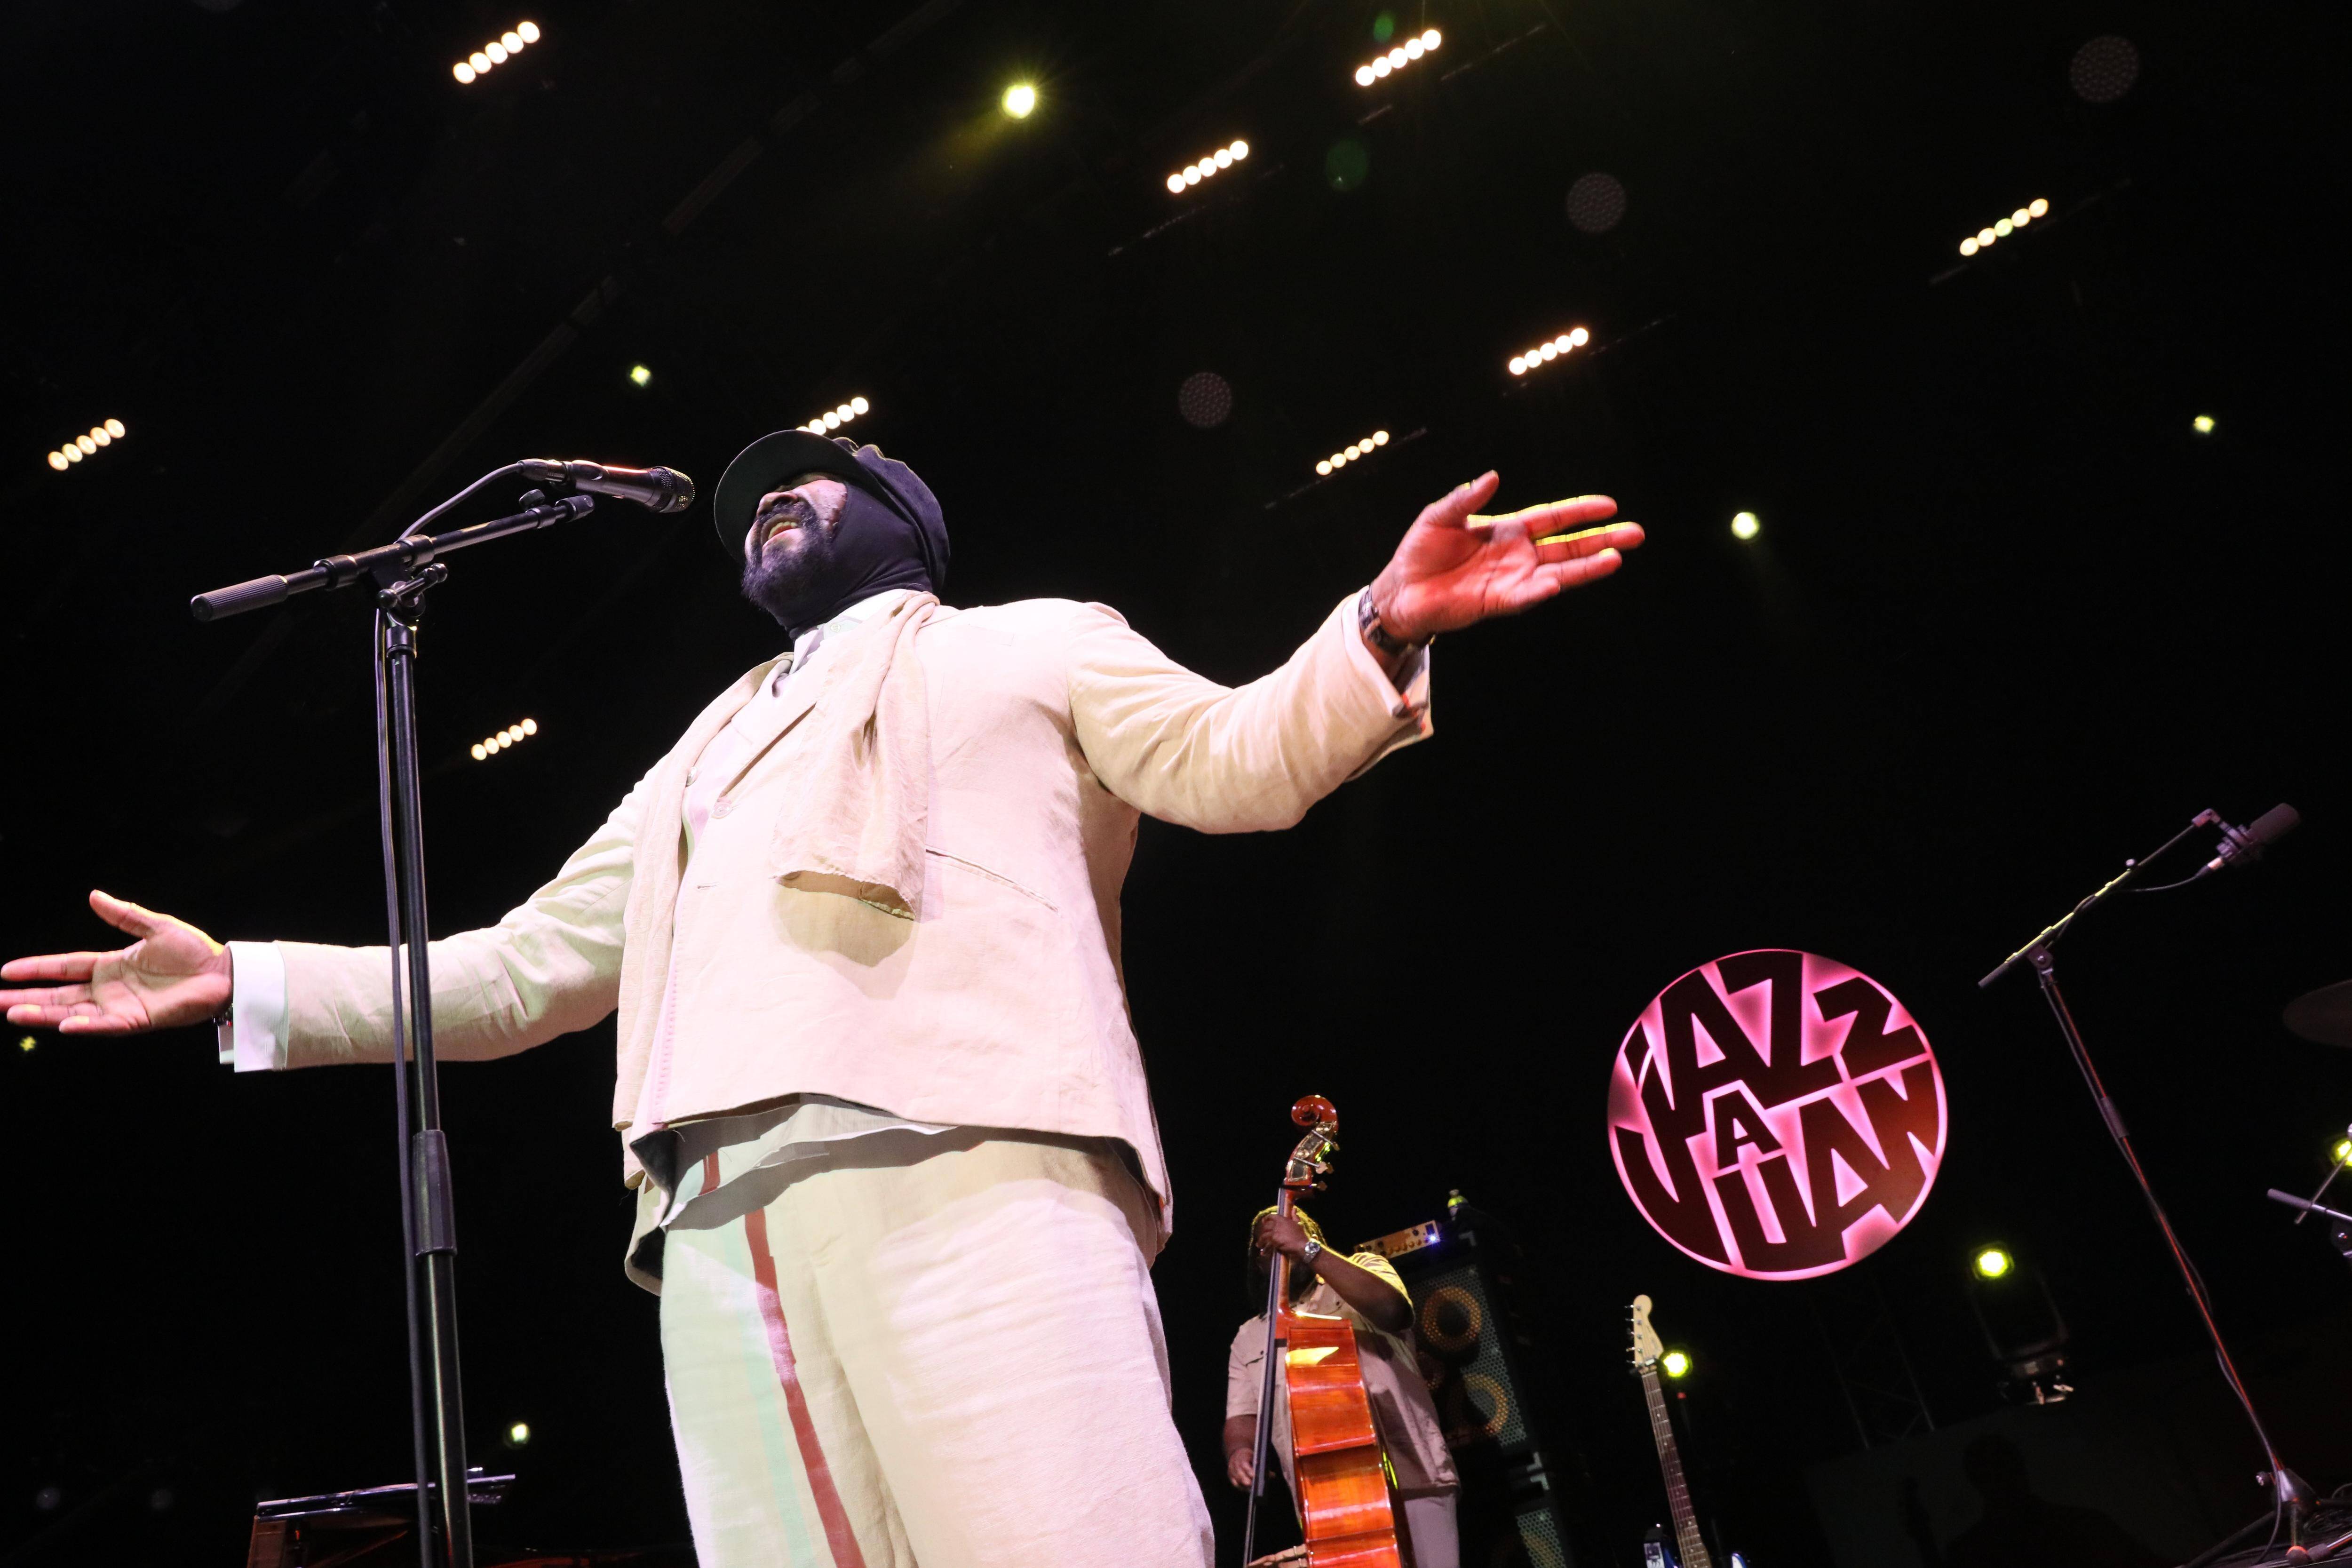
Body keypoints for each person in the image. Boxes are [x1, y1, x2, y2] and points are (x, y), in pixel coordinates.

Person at [1, 427, 1640, 1568]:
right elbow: (518, 970)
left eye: (811, 481)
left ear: (905, 526)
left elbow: (1236, 757)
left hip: (973, 1166)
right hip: (721, 1235)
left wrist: (1375, 627)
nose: (771, 500)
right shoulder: (699, 754)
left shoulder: (1032, 641)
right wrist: (250, 978)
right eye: (751, 504)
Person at [1224, 1209, 1460, 1568]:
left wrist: (1307, 1247)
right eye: (1268, 1246)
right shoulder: (1250, 1336)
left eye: (1290, 1234)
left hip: (1414, 1473)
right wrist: (1240, 1452)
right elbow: (1241, 1415)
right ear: (1258, 1263)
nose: (1281, 1249)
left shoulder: (1362, 1270)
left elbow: (1393, 1310)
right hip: (1327, 1499)